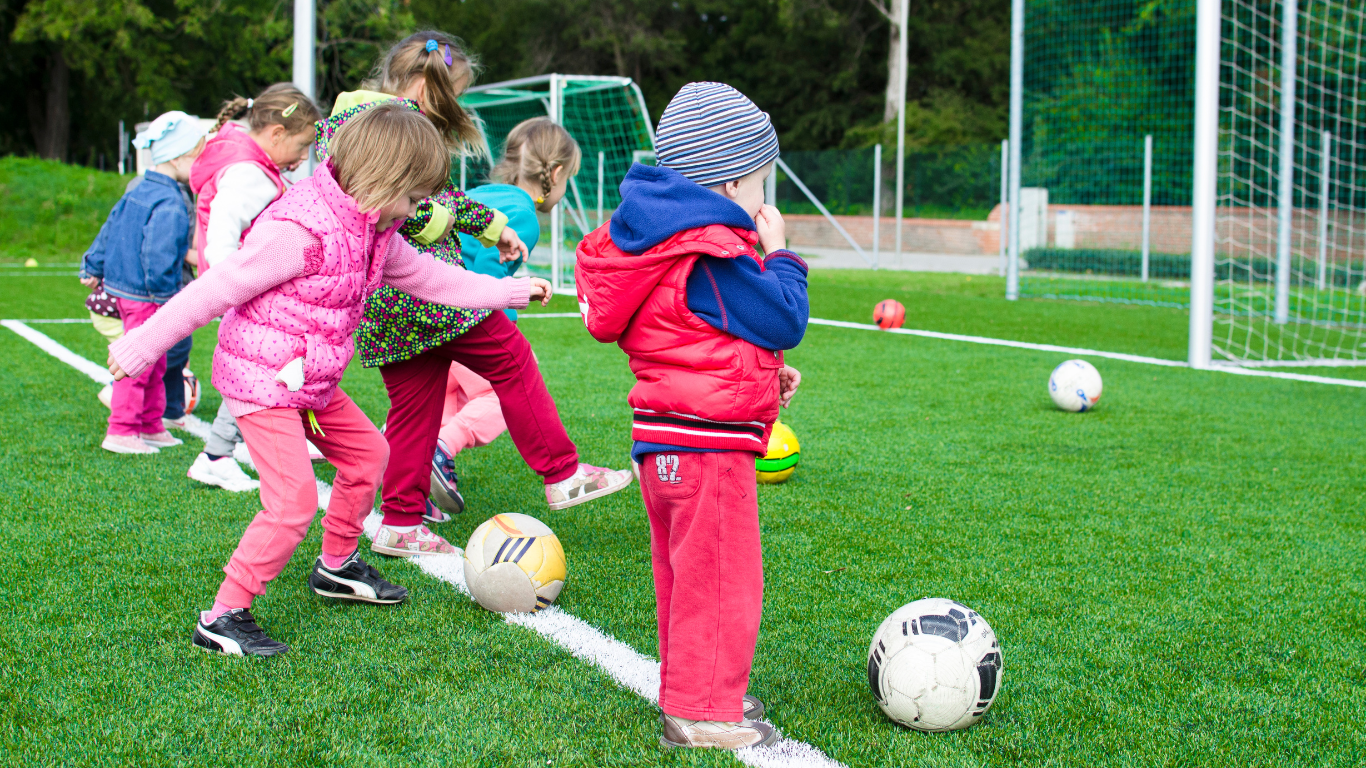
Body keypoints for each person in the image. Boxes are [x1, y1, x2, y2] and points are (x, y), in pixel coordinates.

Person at [105, 103, 553, 657]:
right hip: (263, 381)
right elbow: (216, 289)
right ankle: (222, 616)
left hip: (310, 381)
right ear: (382, 180)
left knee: (370, 456)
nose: (418, 211)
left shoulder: (374, 227)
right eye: (414, 198)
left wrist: (508, 291)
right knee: (292, 502)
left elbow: (430, 278)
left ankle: (336, 567)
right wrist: (142, 344)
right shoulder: (299, 230)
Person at [318, 31, 630, 560]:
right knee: (511, 357)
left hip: (385, 304)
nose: (453, 108)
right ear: (423, 84)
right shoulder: (385, 125)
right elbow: (401, 207)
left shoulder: (354, 119)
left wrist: (493, 229)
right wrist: (445, 226)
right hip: (427, 293)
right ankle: (562, 472)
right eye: (451, 95)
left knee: (416, 408)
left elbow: (438, 195)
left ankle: (399, 521)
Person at [574, 82, 809, 750]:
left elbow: (694, 335)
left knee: (688, 579)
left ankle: (696, 691)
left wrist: (764, 376)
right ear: (732, 181)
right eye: (763, 182)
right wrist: (782, 253)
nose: (766, 199)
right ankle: (701, 713)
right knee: (721, 581)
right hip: (704, 450)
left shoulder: (663, 243)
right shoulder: (710, 250)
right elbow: (783, 314)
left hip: (669, 441)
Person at [425, 116, 581, 517]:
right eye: (569, 179)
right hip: (460, 317)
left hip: (424, 315)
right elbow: (486, 278)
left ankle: (414, 477)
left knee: (443, 397)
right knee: (502, 390)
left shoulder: (480, 193)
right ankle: (442, 448)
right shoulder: (523, 215)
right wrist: (503, 333)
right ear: (556, 173)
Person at [183, 83, 322, 493]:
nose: (302, 159)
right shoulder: (250, 175)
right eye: (301, 146)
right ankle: (216, 455)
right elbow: (223, 235)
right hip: (248, 293)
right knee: (261, 370)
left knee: (266, 368)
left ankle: (233, 448)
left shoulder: (249, 163)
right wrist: (236, 284)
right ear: (276, 134)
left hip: (248, 290)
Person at [80, 111, 205, 455]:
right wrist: (168, 299)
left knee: (157, 361)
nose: (201, 164)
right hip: (148, 295)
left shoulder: (140, 187)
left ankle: (150, 424)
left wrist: (93, 263)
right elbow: (158, 253)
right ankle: (121, 430)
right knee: (138, 362)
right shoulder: (171, 200)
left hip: (130, 289)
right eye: (198, 155)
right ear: (179, 157)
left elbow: (110, 226)